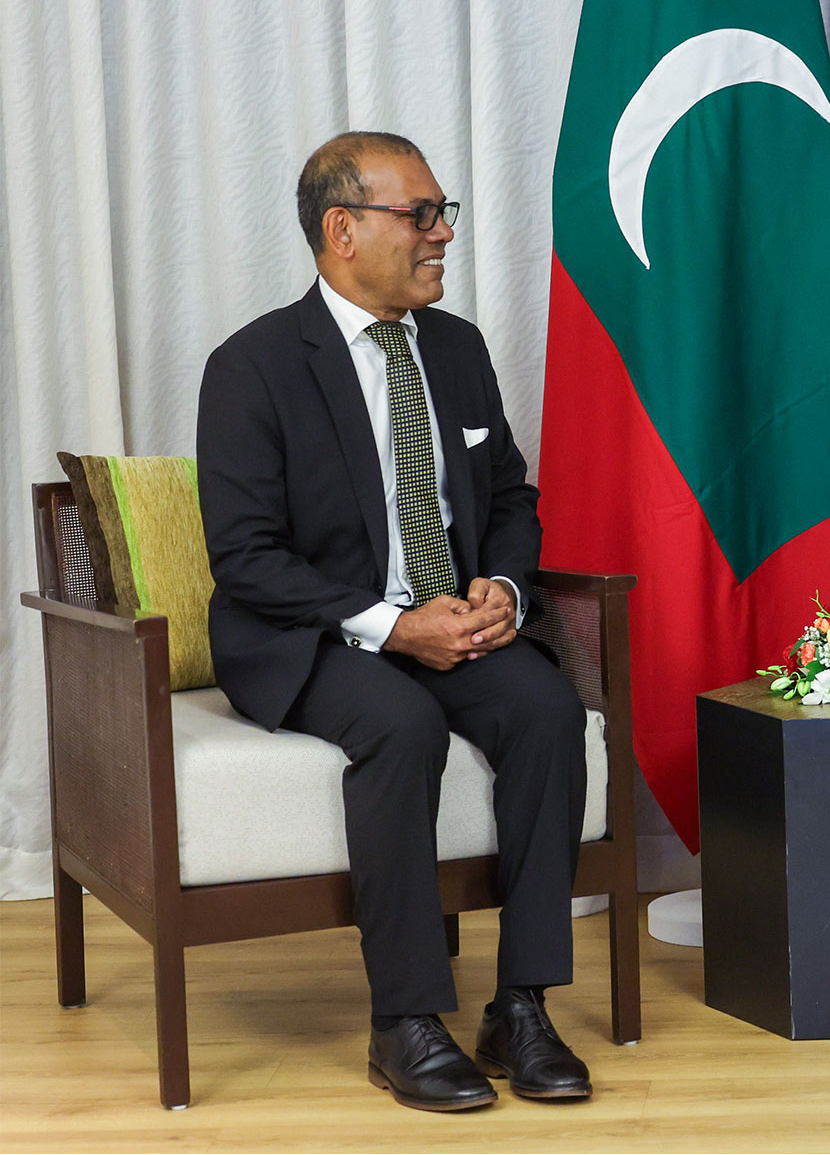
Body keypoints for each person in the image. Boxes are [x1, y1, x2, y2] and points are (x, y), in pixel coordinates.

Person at [197, 131, 591, 1112]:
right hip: (309, 635)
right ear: (342, 230)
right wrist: (389, 624)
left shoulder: (453, 348)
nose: (441, 233)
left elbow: (507, 490)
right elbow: (246, 559)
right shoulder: (252, 366)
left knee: (546, 709)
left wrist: (501, 584)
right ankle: (406, 1021)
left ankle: (522, 1006)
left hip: (451, 620)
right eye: (419, 214)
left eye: (443, 211)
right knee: (400, 722)